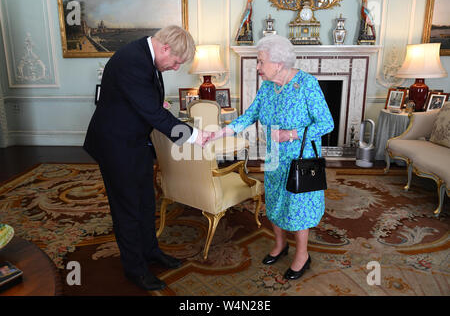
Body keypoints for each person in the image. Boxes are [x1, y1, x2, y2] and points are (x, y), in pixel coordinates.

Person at [83, 25, 208, 291]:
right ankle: (135, 269)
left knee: (146, 202)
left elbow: (147, 102)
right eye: (176, 61)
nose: (175, 68)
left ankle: (151, 252)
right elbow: (152, 112)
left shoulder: (146, 55)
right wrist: (195, 136)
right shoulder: (131, 60)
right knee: (127, 209)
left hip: (136, 142)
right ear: (165, 48)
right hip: (115, 145)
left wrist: (156, 108)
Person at [208, 35, 334, 280]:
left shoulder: (307, 84)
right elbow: (251, 114)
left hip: (301, 158)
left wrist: (290, 134)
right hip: (275, 158)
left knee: (298, 208)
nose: (257, 67)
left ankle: (302, 255)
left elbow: (326, 123)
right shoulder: (267, 86)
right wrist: (223, 131)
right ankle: (280, 245)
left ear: (278, 63)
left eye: (260, 61)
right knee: (275, 202)